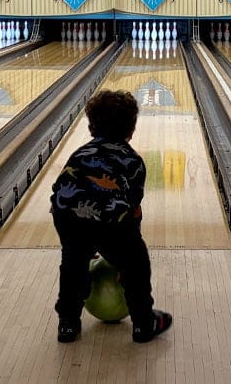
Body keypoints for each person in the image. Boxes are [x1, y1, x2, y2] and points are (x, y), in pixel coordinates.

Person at [49, 89, 172, 344]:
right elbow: (132, 210)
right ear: (132, 129)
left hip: (67, 219)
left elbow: (63, 194)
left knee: (73, 265)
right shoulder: (133, 161)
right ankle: (143, 322)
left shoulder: (79, 154)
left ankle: (68, 324)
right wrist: (122, 258)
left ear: (91, 126)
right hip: (110, 223)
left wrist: (81, 243)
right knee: (136, 261)